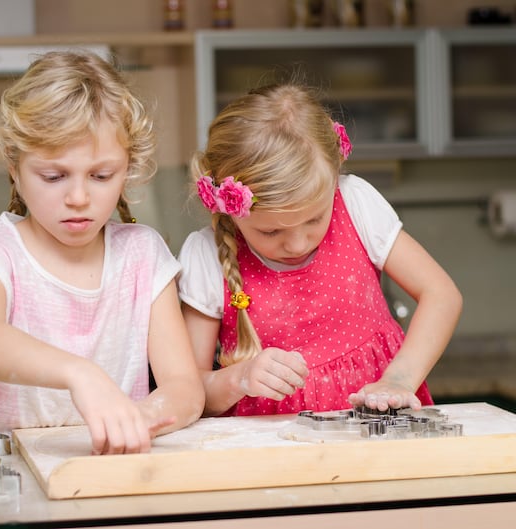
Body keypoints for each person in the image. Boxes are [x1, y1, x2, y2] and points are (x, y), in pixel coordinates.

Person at [0, 50, 204, 455]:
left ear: (128, 167)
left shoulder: (143, 254)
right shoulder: (0, 251)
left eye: (102, 176)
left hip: (105, 470)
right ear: (14, 166)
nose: (79, 197)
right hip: (5, 475)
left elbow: (185, 389)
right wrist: (79, 374)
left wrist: (139, 419)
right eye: (54, 176)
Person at [178, 82, 462, 418]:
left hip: (377, 431)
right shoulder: (205, 255)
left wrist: (399, 380)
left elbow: (441, 294)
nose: (298, 243)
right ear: (228, 208)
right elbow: (187, 391)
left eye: (315, 219)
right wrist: (240, 378)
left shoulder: (356, 203)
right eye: (270, 231)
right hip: (274, 453)